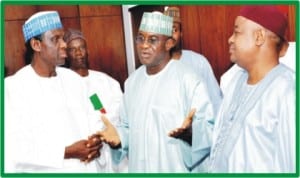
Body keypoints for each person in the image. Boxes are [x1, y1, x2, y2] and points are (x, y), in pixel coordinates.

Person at [97, 11, 215, 172]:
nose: (144, 45)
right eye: (140, 38)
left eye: (153, 40)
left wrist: (191, 134)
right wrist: (119, 138)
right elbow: (127, 127)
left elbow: (209, 129)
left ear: (168, 44)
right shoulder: (131, 83)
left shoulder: (189, 80)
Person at [5, 11, 103, 172]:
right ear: (36, 45)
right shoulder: (13, 88)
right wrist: (67, 152)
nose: (64, 44)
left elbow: (96, 112)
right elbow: (13, 149)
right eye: (55, 39)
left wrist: (96, 138)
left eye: (63, 38)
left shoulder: (75, 80)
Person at [209, 6, 295, 172]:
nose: (230, 39)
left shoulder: (288, 92)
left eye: (237, 32)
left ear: (259, 37)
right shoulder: (234, 81)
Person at [63, 28, 128, 173]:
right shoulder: (61, 85)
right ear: (66, 55)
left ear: (88, 50)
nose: (79, 53)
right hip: (80, 157)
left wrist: (100, 135)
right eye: (73, 49)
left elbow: (118, 115)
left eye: (81, 47)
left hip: (109, 152)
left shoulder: (106, 82)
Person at [164, 6, 222, 116]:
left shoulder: (198, 62)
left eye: (174, 30)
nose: (170, 35)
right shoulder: (157, 67)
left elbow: (215, 101)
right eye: (165, 31)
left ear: (181, 33)